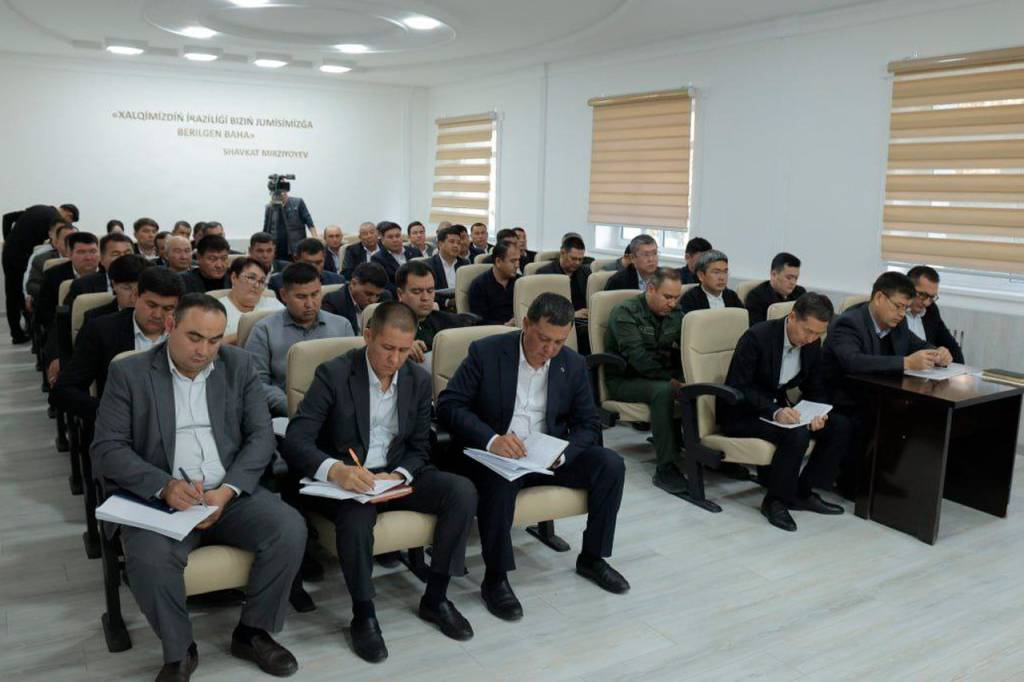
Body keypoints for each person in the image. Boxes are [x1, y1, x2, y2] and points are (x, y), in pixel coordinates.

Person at [90, 293, 305, 681]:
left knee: (289, 528)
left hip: (227, 493)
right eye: (194, 337)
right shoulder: (130, 372)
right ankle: (180, 651)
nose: (204, 350)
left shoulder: (238, 365)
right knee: (149, 559)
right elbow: (107, 449)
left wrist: (228, 490)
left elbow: (261, 436)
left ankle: (252, 633)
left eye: (214, 340)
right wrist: (164, 486)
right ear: (170, 326)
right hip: (161, 500)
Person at [282, 302, 478, 662]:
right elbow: (296, 440)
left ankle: (436, 597)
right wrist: (336, 471)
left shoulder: (417, 379)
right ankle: (364, 613)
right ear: (368, 336)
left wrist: (399, 474)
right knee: (356, 519)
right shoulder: (334, 374)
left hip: (393, 475)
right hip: (348, 480)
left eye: (404, 350)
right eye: (388, 348)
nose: (395, 359)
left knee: (461, 491)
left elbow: (420, 447)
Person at [437, 293, 629, 622]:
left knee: (611, 464)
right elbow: (449, 406)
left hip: (546, 456)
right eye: (543, 339)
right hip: (497, 456)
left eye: (559, 342)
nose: (550, 349)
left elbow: (588, 423)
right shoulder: (487, 352)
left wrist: (563, 452)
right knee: (498, 485)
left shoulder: (572, 363)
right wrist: (492, 440)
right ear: (526, 324)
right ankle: (495, 578)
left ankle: (593, 557)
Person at [718, 293, 852, 531]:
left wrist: (819, 412)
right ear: (792, 317)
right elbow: (739, 386)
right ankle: (775, 501)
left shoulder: (811, 344)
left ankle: (803, 492)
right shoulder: (757, 337)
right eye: (807, 331)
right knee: (796, 434)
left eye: (818, 334)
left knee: (839, 426)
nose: (810, 339)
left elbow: (815, 386)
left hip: (779, 408)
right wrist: (775, 411)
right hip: (742, 412)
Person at [821, 272, 949, 496]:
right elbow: (853, 361)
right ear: (879, 297)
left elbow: (918, 345)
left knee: (911, 413)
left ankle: (880, 477)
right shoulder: (849, 323)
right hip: (840, 397)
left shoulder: (897, 323)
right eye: (898, 306)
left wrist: (937, 352)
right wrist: (906, 362)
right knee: (874, 416)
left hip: (873, 392)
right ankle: (852, 483)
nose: (901, 314)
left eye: (905, 308)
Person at [51, 266, 181, 420]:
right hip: (122, 421)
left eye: (168, 308)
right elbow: (63, 391)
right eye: (151, 305)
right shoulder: (103, 331)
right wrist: (110, 414)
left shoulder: (187, 332)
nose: (158, 315)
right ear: (135, 296)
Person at [603, 268, 687, 495]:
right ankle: (666, 466)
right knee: (664, 391)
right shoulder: (625, 312)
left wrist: (685, 378)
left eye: (676, 297)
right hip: (625, 379)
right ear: (650, 289)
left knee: (695, 386)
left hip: (661, 375)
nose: (672, 303)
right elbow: (638, 358)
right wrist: (673, 381)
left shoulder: (676, 314)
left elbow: (685, 349)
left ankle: (697, 450)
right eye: (667, 297)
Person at [245, 263, 354, 417]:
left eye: (315, 294)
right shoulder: (264, 330)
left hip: (337, 412)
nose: (310, 304)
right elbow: (257, 383)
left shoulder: (342, 326)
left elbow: (354, 376)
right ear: (284, 295)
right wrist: (293, 407)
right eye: (301, 297)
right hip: (287, 413)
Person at [395, 260, 477, 366]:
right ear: (400, 294)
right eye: (417, 292)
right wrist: (399, 349)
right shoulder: (386, 324)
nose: (425, 298)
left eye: (430, 291)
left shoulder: (446, 321)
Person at [2, 204, 62, 343]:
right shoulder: (54, 219)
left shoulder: (37, 210)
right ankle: (19, 333)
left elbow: (7, 217)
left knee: (13, 294)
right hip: (20, 256)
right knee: (19, 293)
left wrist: (7, 239)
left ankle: (19, 332)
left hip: (10, 252)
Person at [536, 235, 592, 353]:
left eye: (580, 259)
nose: (577, 263)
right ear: (562, 253)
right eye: (573, 259)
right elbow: (544, 308)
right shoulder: (544, 274)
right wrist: (573, 315)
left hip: (583, 320)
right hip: (557, 321)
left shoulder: (585, 272)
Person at [905, 265, 964, 363]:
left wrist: (959, 369)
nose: (926, 303)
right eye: (922, 295)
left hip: (929, 370)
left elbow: (952, 346)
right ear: (908, 288)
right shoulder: (895, 312)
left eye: (932, 297)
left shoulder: (931, 309)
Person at [65, 232, 137, 311]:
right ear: (101, 259)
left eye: (128, 253)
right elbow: (66, 317)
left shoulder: (145, 280)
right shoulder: (82, 285)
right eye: (116, 254)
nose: (124, 259)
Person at [221, 257, 284, 344]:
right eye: (251, 278)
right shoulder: (217, 308)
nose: (256, 285)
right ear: (234, 277)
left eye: (262, 281)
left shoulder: (273, 304)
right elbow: (212, 344)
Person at [321, 262, 391, 334]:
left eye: (377, 296)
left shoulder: (384, 298)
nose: (373, 300)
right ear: (353, 283)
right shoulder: (333, 302)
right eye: (368, 294)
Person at [745, 252, 807, 325]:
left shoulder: (801, 293)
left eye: (796, 278)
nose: (793, 282)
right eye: (789, 278)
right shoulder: (756, 297)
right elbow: (756, 329)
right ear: (773, 274)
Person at [268, 238, 343, 297]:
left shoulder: (337, 281)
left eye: (318, 263)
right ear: (296, 259)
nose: (314, 268)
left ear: (324, 259)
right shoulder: (278, 282)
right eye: (308, 263)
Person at [24, 222, 75, 308]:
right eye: (66, 239)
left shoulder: (86, 259)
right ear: (56, 242)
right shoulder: (41, 259)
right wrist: (57, 292)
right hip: (50, 304)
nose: (70, 243)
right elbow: (31, 285)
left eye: (74, 240)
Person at [678, 249, 745, 314]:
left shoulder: (732, 296)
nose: (722, 278)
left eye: (725, 272)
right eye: (716, 272)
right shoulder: (691, 299)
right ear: (701, 276)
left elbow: (743, 318)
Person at [468, 241, 519, 325]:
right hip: (492, 331)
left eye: (518, 260)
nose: (517, 265)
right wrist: (505, 325)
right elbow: (478, 321)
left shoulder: (519, 282)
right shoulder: (479, 285)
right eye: (513, 261)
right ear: (498, 261)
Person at [263, 181, 317, 257]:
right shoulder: (270, 207)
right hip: (276, 247)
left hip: (295, 246)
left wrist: (315, 238)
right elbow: (266, 228)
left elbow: (309, 221)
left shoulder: (298, 202)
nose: (280, 195)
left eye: (283, 192)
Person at [427, 225, 469, 309]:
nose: (456, 245)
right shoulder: (428, 265)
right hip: (439, 309)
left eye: (458, 243)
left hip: (463, 307)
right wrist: (448, 302)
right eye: (452, 242)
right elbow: (427, 292)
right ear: (440, 244)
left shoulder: (465, 264)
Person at [371, 221, 422, 285]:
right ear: (382, 240)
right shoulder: (377, 258)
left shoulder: (415, 252)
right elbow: (383, 284)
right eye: (390, 237)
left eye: (397, 236)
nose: (395, 240)